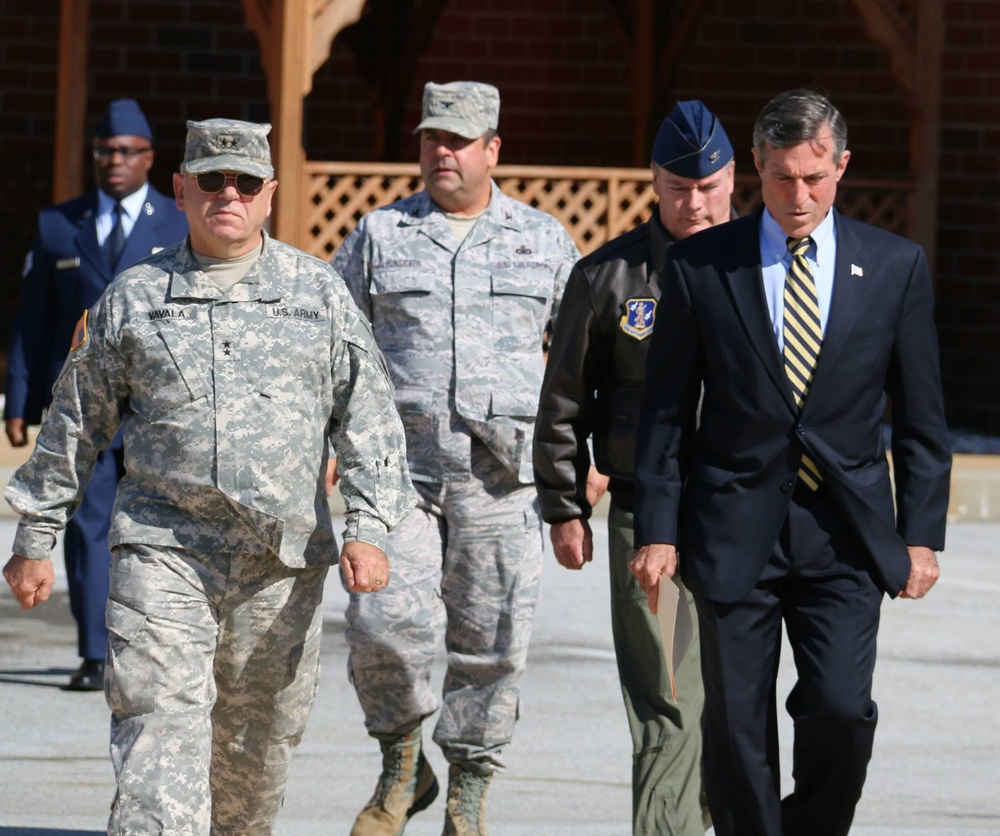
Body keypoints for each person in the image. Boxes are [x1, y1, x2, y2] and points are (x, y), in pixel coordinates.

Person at [2, 117, 414, 834]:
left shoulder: (317, 295)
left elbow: (371, 420)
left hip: (278, 567)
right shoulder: (134, 299)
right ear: (182, 188)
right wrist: (37, 534)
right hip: (163, 553)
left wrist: (370, 529)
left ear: (269, 194)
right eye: (212, 180)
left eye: (245, 182)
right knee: (158, 740)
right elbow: (77, 422)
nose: (229, 193)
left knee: (252, 766)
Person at [630, 89, 952, 835]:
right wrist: (657, 527)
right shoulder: (702, 266)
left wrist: (922, 534)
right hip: (732, 524)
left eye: (813, 178)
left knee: (840, 708)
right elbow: (667, 413)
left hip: (848, 532)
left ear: (841, 166)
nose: (798, 196)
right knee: (737, 727)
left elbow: (924, 419)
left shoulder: (896, 266)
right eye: (781, 178)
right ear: (757, 166)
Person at [332, 80, 580, 835]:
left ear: (492, 150)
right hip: (395, 475)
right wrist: (324, 445)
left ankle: (468, 792)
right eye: (432, 138)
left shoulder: (543, 240)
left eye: (459, 140)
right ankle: (402, 765)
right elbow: (333, 346)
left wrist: (590, 455)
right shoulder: (379, 236)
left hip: (502, 480)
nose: (443, 152)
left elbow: (582, 363)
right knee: (379, 624)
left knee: (494, 642)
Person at [533, 99, 735, 835]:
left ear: (732, 178)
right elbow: (564, 399)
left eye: (709, 185)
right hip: (648, 513)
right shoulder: (608, 275)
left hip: (746, 513)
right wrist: (562, 504)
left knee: (733, 699)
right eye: (680, 187)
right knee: (668, 694)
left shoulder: (768, 266)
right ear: (654, 181)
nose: (695, 202)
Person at [4, 98, 188, 691]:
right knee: (85, 526)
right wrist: (19, 400)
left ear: (149, 159)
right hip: (79, 402)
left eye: (128, 151)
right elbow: (34, 319)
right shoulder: (60, 223)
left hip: (157, 405)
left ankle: (148, 643)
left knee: (151, 527)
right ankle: (94, 652)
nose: (115, 160)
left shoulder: (180, 222)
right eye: (106, 150)